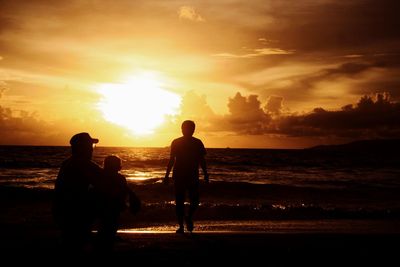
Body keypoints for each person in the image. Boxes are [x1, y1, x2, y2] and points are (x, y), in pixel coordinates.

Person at [52, 132, 102, 252]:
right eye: (90, 146)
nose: (92, 149)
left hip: (66, 210)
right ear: (82, 147)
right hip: (76, 211)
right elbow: (105, 179)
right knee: (76, 243)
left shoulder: (68, 163)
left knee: (70, 241)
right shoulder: (83, 164)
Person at [163, 120, 209, 233]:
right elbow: (171, 160)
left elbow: (201, 160)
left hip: (191, 175)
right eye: (186, 128)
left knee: (194, 201)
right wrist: (166, 175)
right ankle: (181, 226)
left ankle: (188, 218)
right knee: (180, 201)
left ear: (193, 130)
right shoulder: (176, 142)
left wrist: (206, 173)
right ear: (182, 129)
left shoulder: (198, 142)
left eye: (190, 128)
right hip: (180, 175)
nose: (188, 130)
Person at [95, 155, 132, 251]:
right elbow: (123, 192)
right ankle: (108, 240)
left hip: (102, 205)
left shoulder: (100, 176)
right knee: (112, 223)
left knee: (104, 223)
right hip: (114, 205)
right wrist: (123, 203)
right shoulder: (120, 178)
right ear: (118, 166)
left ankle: (103, 239)